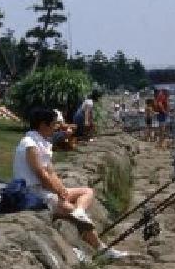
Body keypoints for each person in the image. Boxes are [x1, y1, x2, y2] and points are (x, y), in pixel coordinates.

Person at [13, 108, 128, 259]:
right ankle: (101, 250)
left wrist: (61, 189)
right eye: (53, 124)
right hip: (33, 192)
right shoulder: (29, 144)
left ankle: (80, 212)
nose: (56, 128)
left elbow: (51, 172)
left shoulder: (42, 142)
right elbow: (41, 175)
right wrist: (58, 193)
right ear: (43, 125)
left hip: (45, 189)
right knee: (74, 213)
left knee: (87, 192)